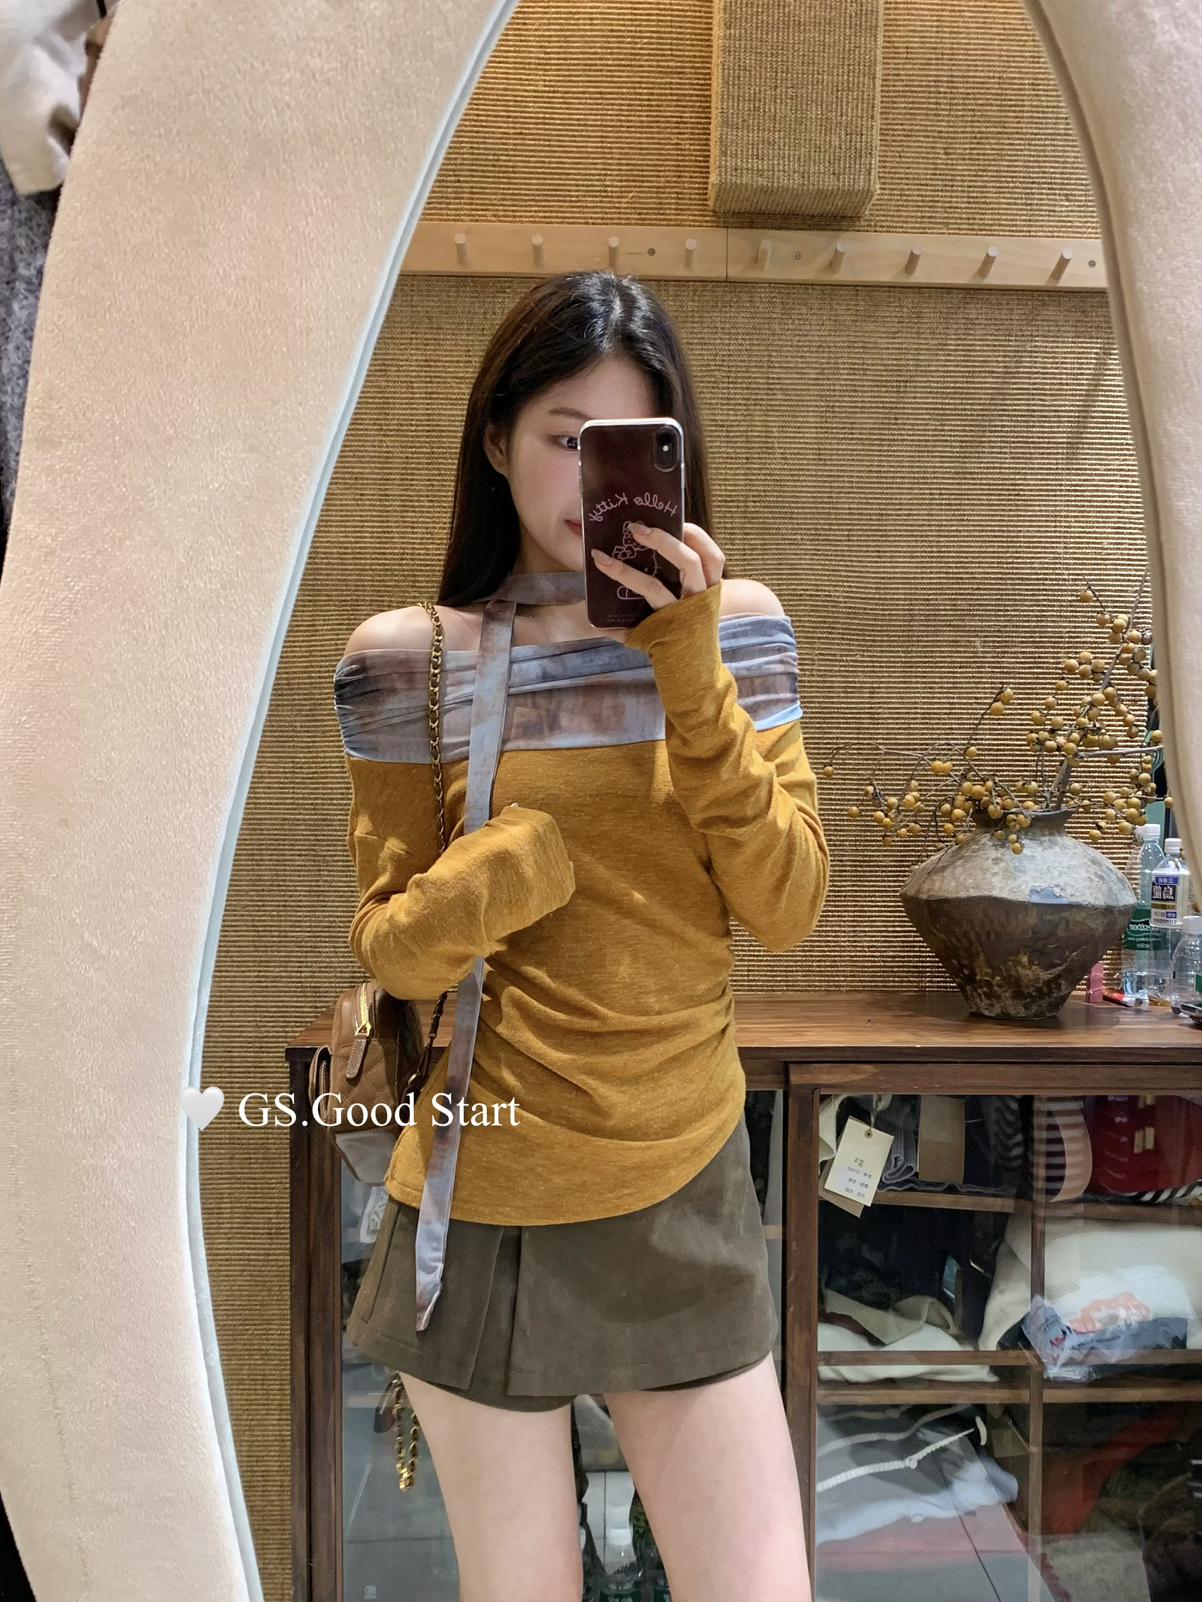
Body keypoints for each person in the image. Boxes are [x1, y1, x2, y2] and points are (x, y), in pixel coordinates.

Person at [333, 268, 828, 1602]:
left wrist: (689, 668)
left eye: (628, 445)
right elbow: (392, 952)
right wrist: (496, 877)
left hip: (682, 1177)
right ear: (495, 439)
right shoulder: (407, 658)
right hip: (481, 1197)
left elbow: (785, 904)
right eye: (564, 437)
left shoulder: (739, 631)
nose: (588, 479)